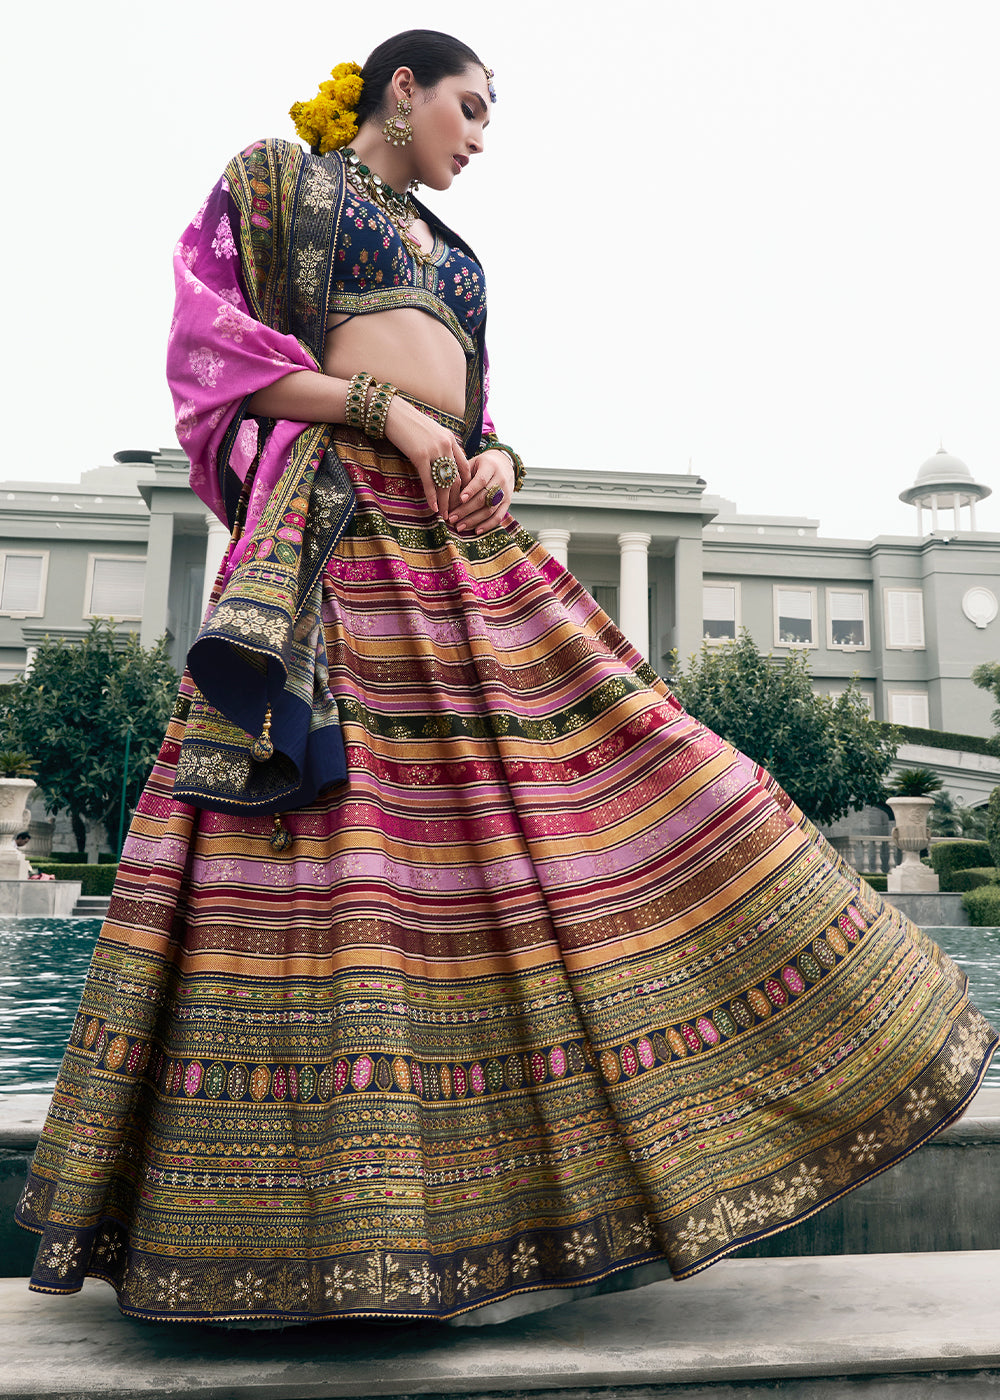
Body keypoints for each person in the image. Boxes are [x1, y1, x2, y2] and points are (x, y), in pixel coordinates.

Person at [16, 29, 997, 1327]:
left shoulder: (460, 258)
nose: (478, 135)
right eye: (468, 107)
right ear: (400, 88)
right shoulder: (280, 185)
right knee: (352, 855)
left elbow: (472, 416)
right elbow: (213, 357)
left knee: (618, 777)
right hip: (340, 545)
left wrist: (499, 462)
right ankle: (322, 1242)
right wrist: (388, 418)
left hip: (460, 546)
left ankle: (530, 1222)